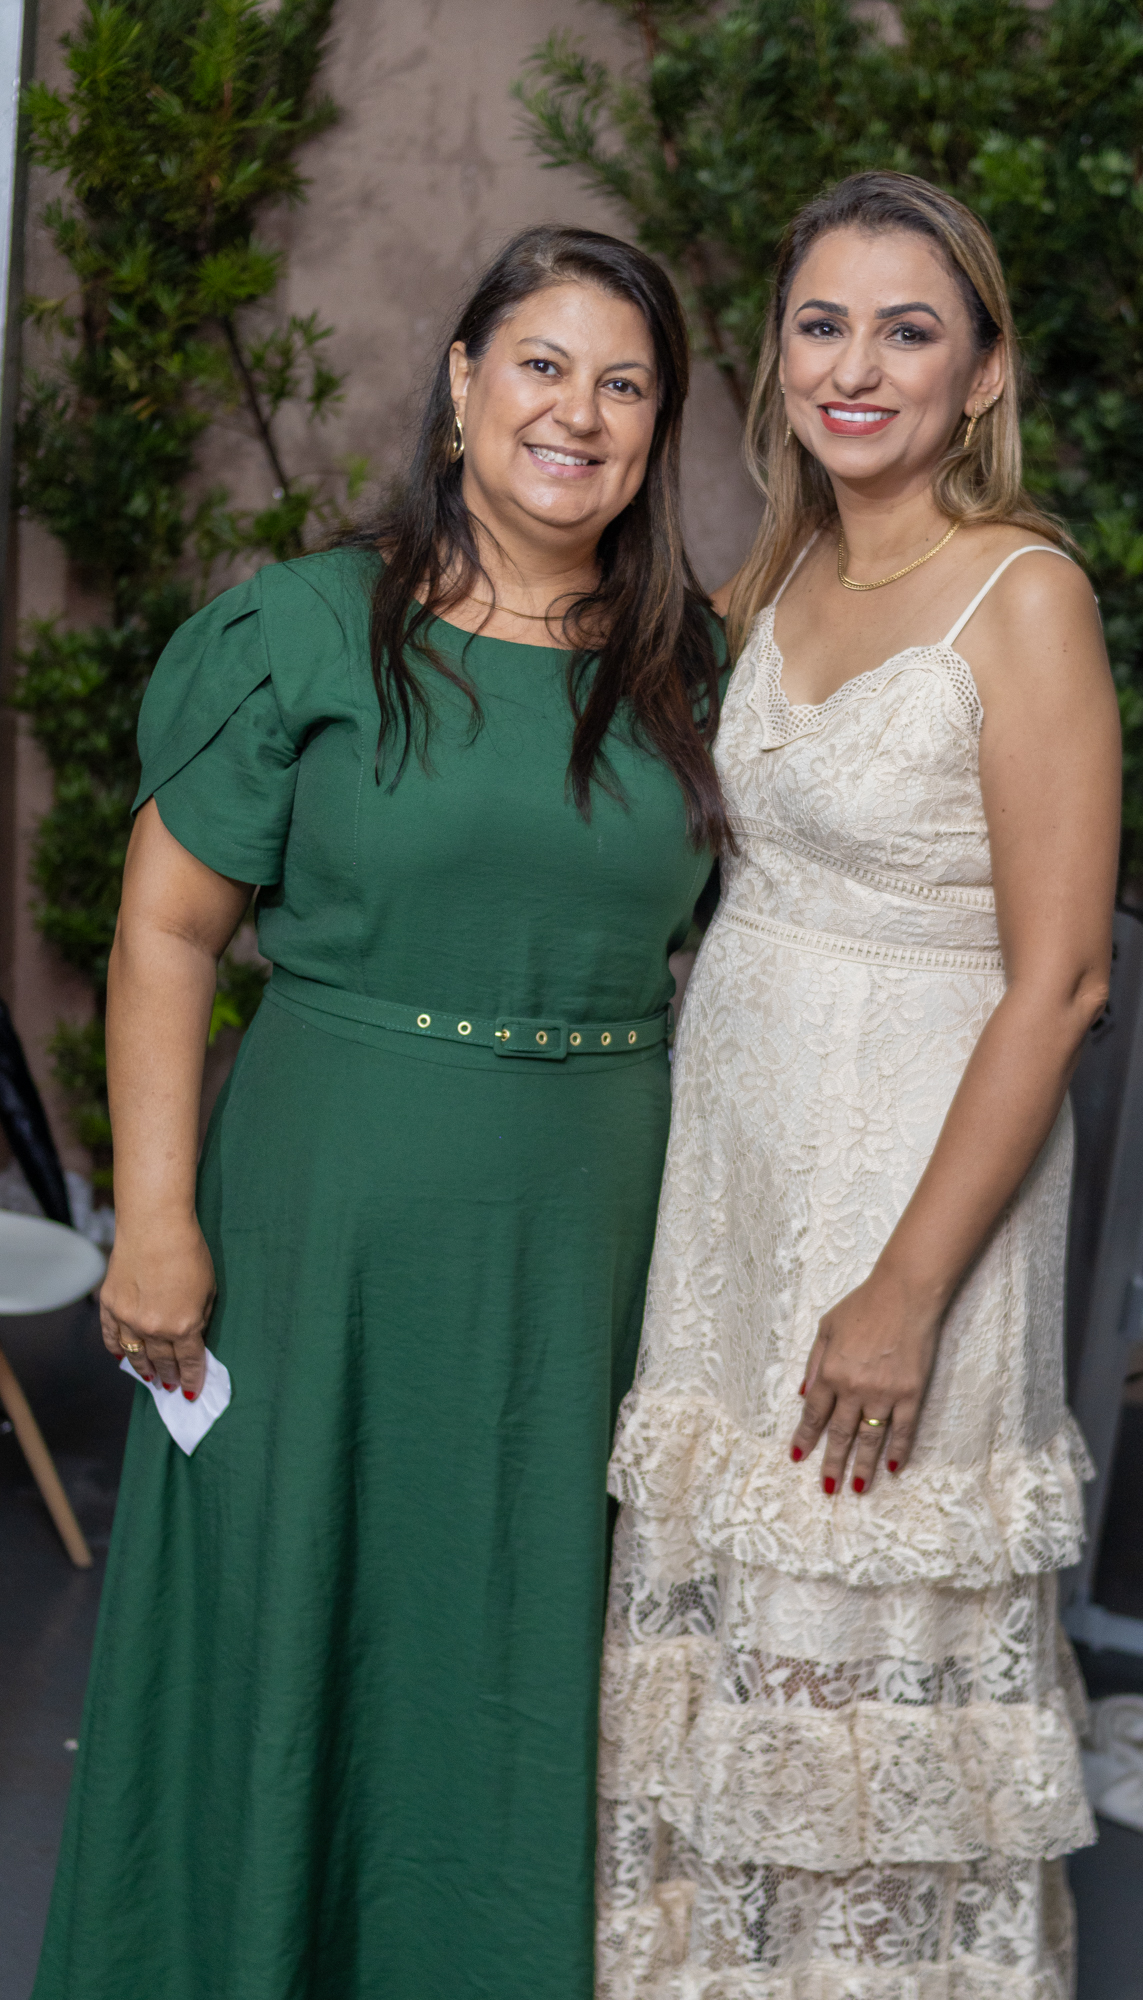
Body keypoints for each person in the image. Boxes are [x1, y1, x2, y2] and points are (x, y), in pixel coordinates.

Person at [35, 225, 727, 2000]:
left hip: (587, 1243)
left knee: (512, 1638)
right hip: (319, 1217)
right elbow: (165, 933)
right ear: (463, 381)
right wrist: (155, 1218)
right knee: (284, 1620)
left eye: (625, 385)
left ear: (659, 430)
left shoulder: (694, 665)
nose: (578, 414)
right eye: (542, 365)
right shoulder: (301, 629)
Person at [598, 172, 1120, 1997]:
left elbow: (1060, 981)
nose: (856, 366)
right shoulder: (783, 570)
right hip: (736, 1178)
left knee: (854, 1614)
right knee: (740, 1610)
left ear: (983, 373)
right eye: (821, 324)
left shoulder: (1024, 596)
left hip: (910, 1181)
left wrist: (904, 1290)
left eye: (909, 331)